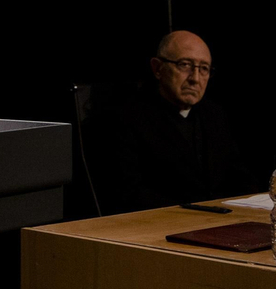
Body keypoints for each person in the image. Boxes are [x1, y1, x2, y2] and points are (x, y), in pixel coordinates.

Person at [97, 30, 252, 213]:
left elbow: (239, 177)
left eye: (203, 69)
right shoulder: (125, 118)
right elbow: (127, 193)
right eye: (185, 65)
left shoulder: (214, 115)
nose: (195, 78)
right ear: (157, 68)